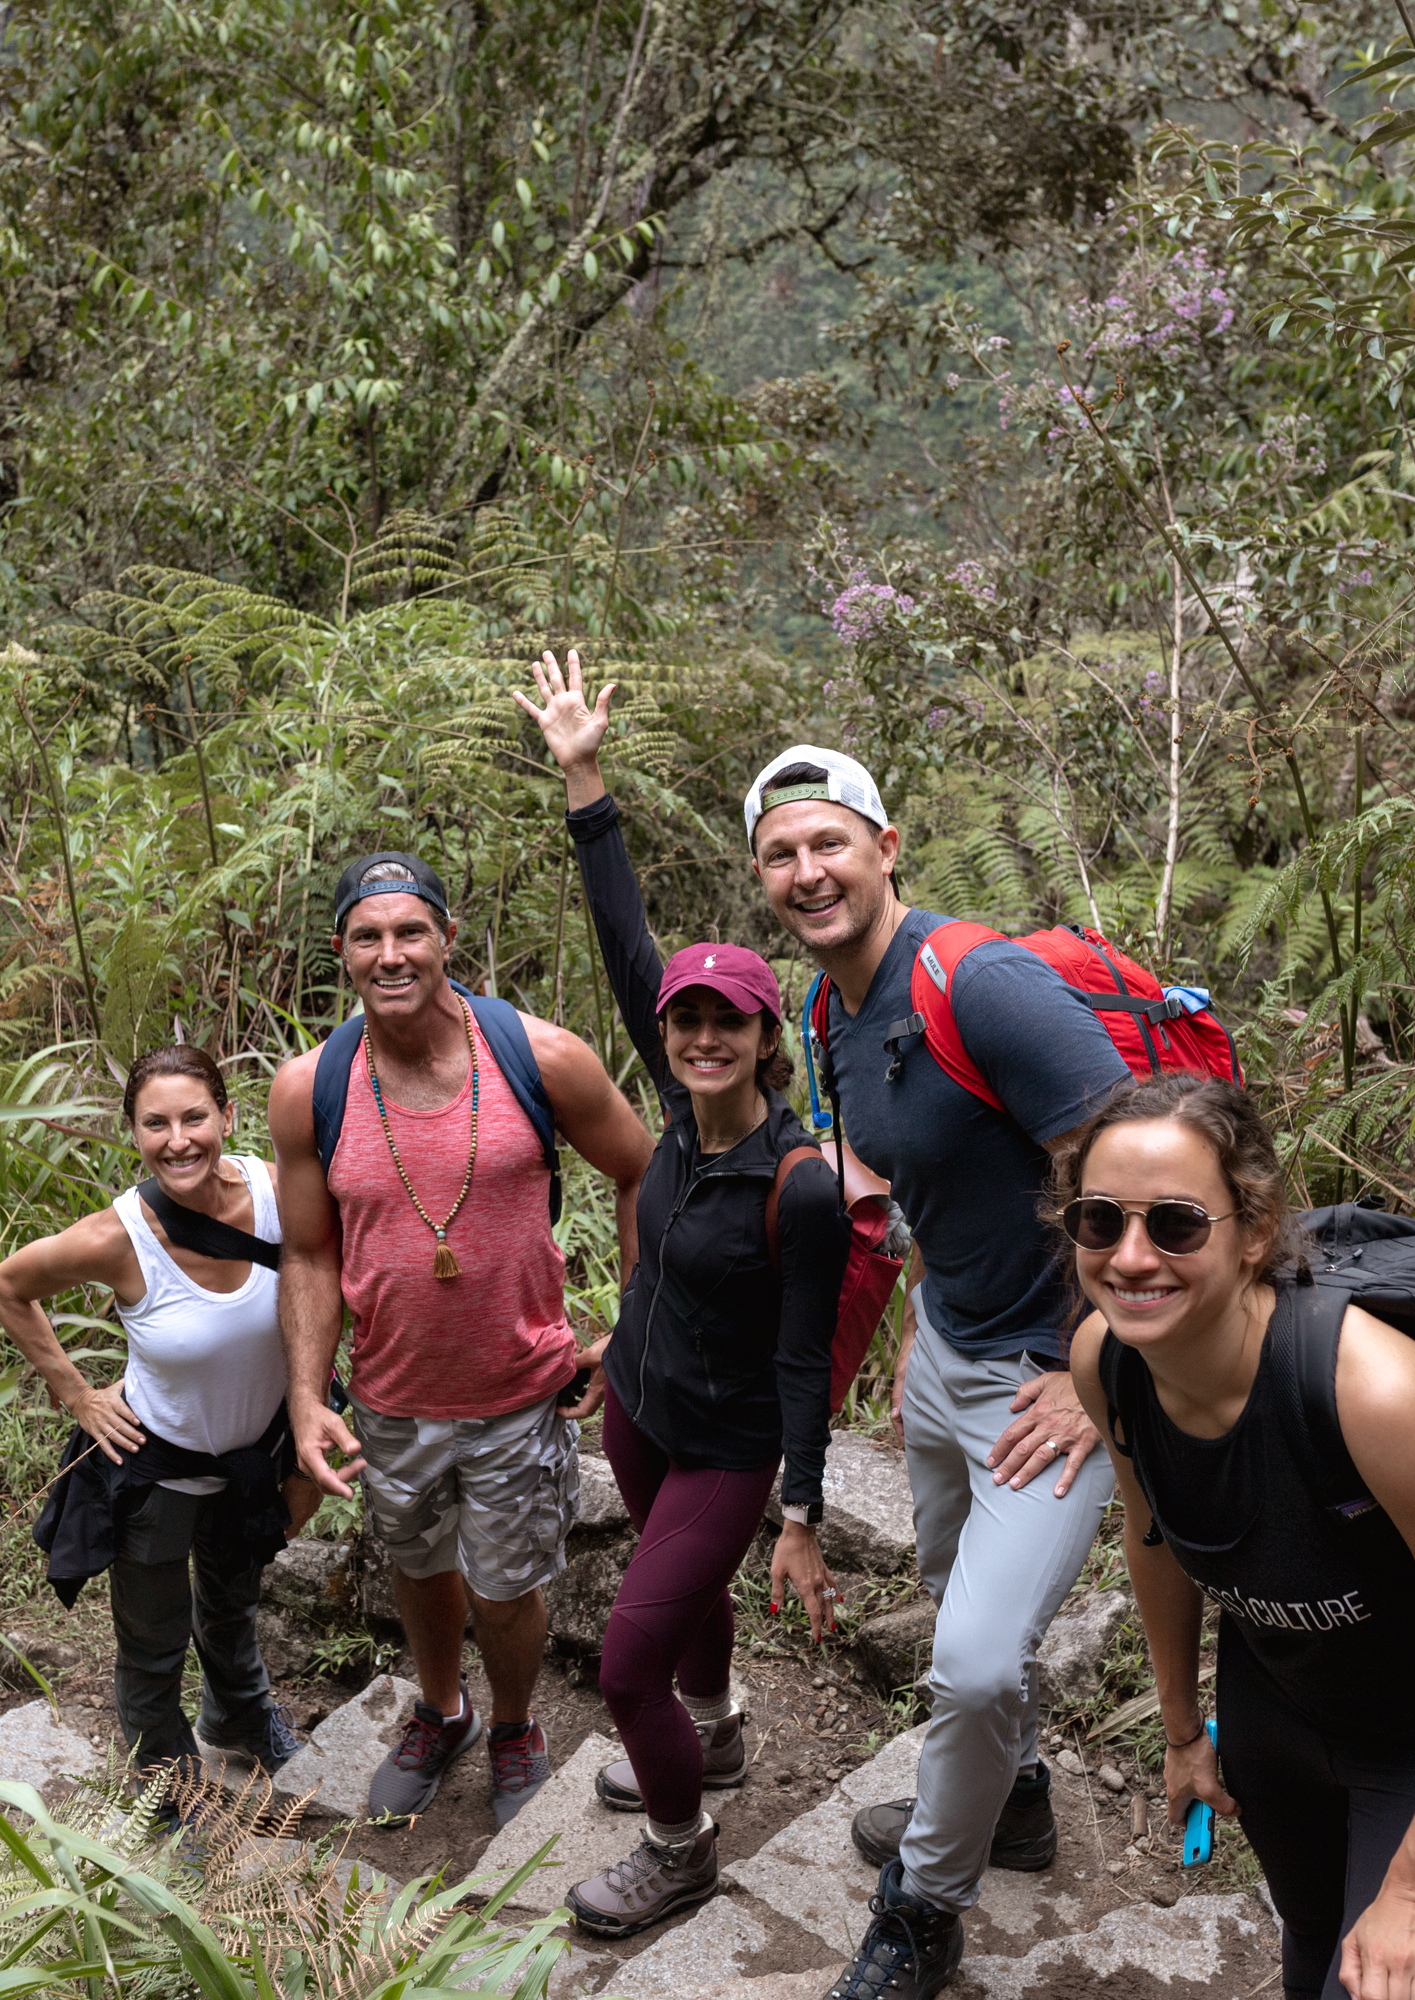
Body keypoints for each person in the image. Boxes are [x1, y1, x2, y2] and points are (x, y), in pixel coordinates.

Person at [1061, 1073, 1415, 2000]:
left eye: (1176, 1224)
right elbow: (1152, 1541)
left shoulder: (1371, 1392)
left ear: (1254, 1232)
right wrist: (1184, 1730)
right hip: (1282, 1709)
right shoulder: (1107, 1361)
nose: (1131, 1257)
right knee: (1312, 1948)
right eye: (1100, 1220)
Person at [742, 744, 1123, 2000]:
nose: (809, 873)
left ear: (886, 846)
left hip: (1049, 1378)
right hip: (949, 1351)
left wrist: (1092, 1373)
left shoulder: (983, 980)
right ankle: (1012, 1802)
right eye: (783, 854)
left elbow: (1143, 1172)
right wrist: (919, 1302)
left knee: (970, 1659)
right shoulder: (827, 1009)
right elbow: (918, 1178)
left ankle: (922, 1909)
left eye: (830, 843)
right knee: (954, 1585)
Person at [513, 651, 853, 1937]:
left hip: (723, 1444)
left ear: (769, 1038)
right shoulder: (676, 1112)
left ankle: (679, 1842)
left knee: (623, 1659)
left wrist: (802, 1506)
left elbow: (810, 1356)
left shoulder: (799, 1183)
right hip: (637, 1409)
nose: (703, 1037)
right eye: (684, 1022)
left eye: (729, 1023)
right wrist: (582, 775)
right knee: (684, 1613)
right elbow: (625, 938)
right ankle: (711, 1732)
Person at [272, 849, 653, 1827]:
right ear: (341, 950)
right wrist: (308, 1395)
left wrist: (633, 1324)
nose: (391, 953)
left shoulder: (541, 1055)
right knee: (418, 1561)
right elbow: (311, 1252)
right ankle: (442, 1708)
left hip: (519, 1388)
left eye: (410, 931)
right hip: (391, 1392)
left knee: (508, 1579)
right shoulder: (310, 1086)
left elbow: (642, 1169)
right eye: (369, 935)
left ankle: (516, 1721)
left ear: (448, 936)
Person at [0, 1044, 313, 1782]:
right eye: (154, 1123)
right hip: (157, 1472)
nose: (178, 1140)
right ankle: (161, 1784)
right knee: (154, 1643)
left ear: (228, 1117)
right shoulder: (119, 1236)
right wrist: (76, 1391)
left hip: (254, 1462)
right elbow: (8, 1286)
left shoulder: (277, 1194)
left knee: (235, 1609)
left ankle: (240, 1715)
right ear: (133, 1134)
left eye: (195, 1117)